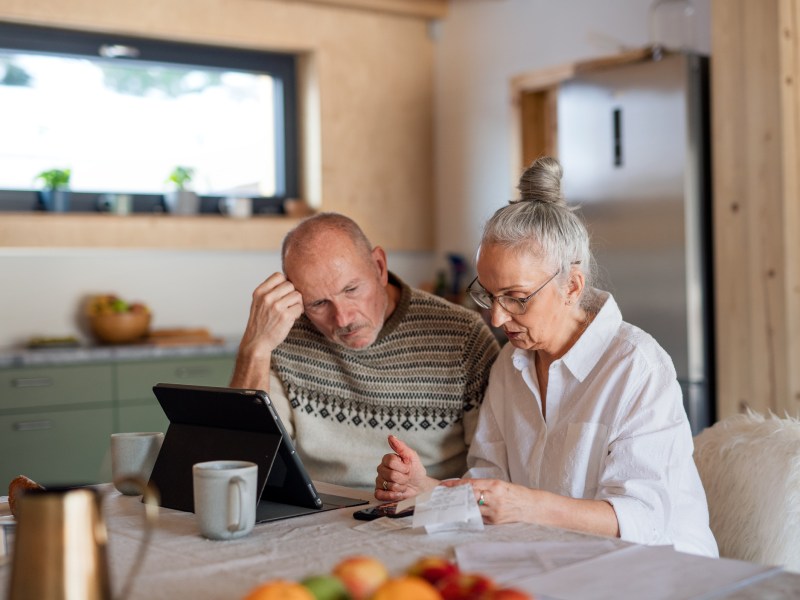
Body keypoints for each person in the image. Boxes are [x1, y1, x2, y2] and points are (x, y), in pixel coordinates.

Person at [374, 157, 718, 557]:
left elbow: (643, 519)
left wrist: (528, 506)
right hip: (558, 560)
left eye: (517, 299)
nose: (498, 317)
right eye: (487, 294)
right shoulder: (511, 364)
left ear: (571, 286)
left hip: (663, 573)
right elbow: (490, 490)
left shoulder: (636, 367)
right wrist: (426, 490)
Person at [230, 212, 500, 489]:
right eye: (319, 303)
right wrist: (255, 348)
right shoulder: (284, 334)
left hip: (427, 512)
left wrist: (427, 489)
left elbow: (494, 474)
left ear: (379, 267)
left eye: (351, 289)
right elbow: (244, 462)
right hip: (318, 515)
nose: (343, 319)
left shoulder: (463, 335)